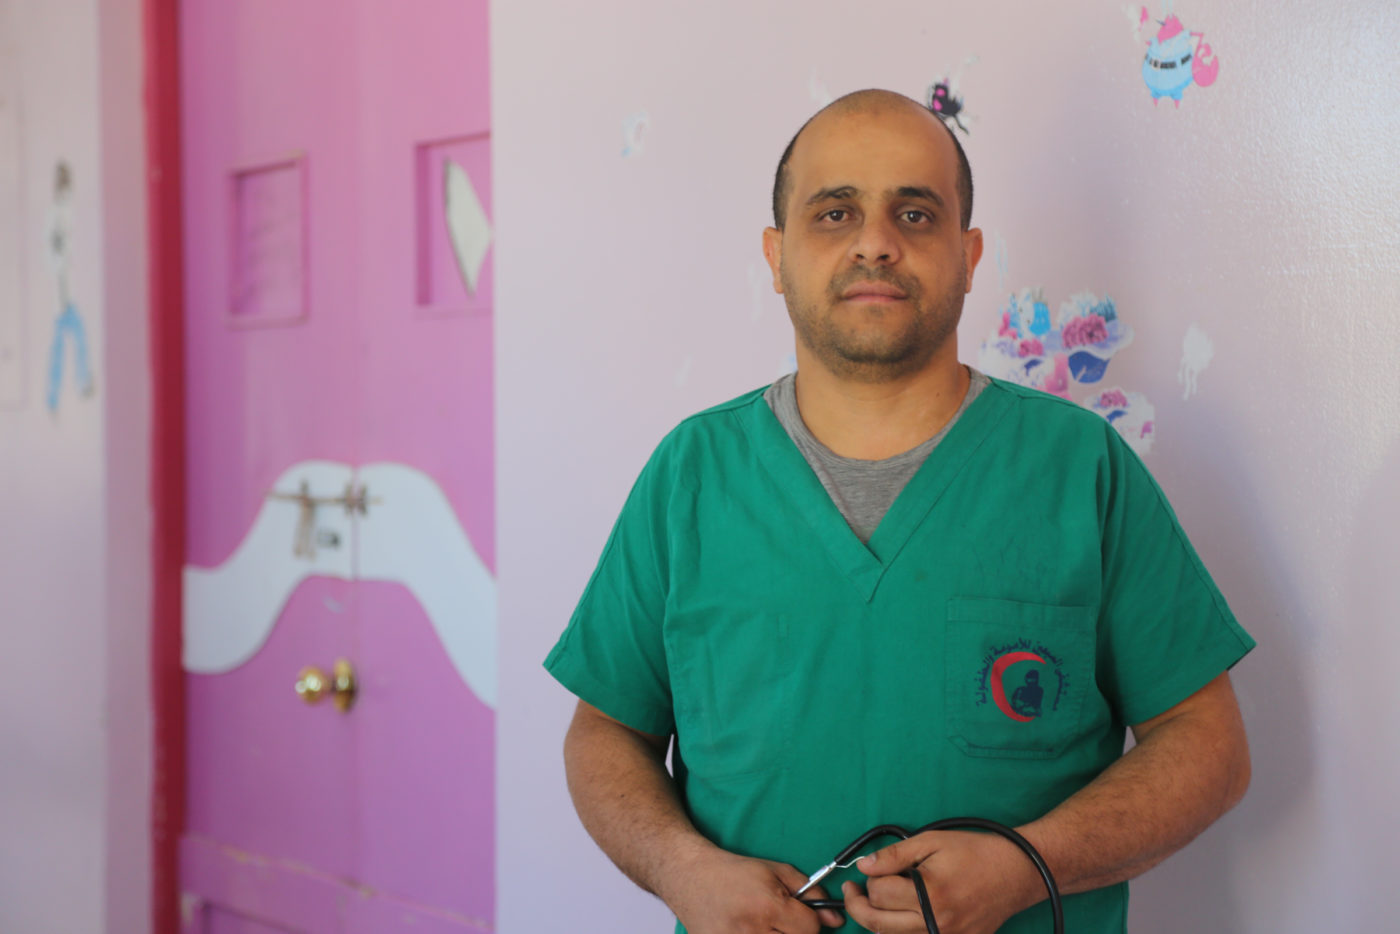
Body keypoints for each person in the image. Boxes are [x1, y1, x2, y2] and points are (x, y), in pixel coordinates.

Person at [544, 88, 1254, 934]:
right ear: (776, 256)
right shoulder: (691, 476)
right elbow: (604, 736)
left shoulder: (1078, 469)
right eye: (834, 212)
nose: (875, 242)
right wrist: (679, 869)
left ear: (968, 252)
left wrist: (1027, 868)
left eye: (915, 214)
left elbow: (1207, 746)